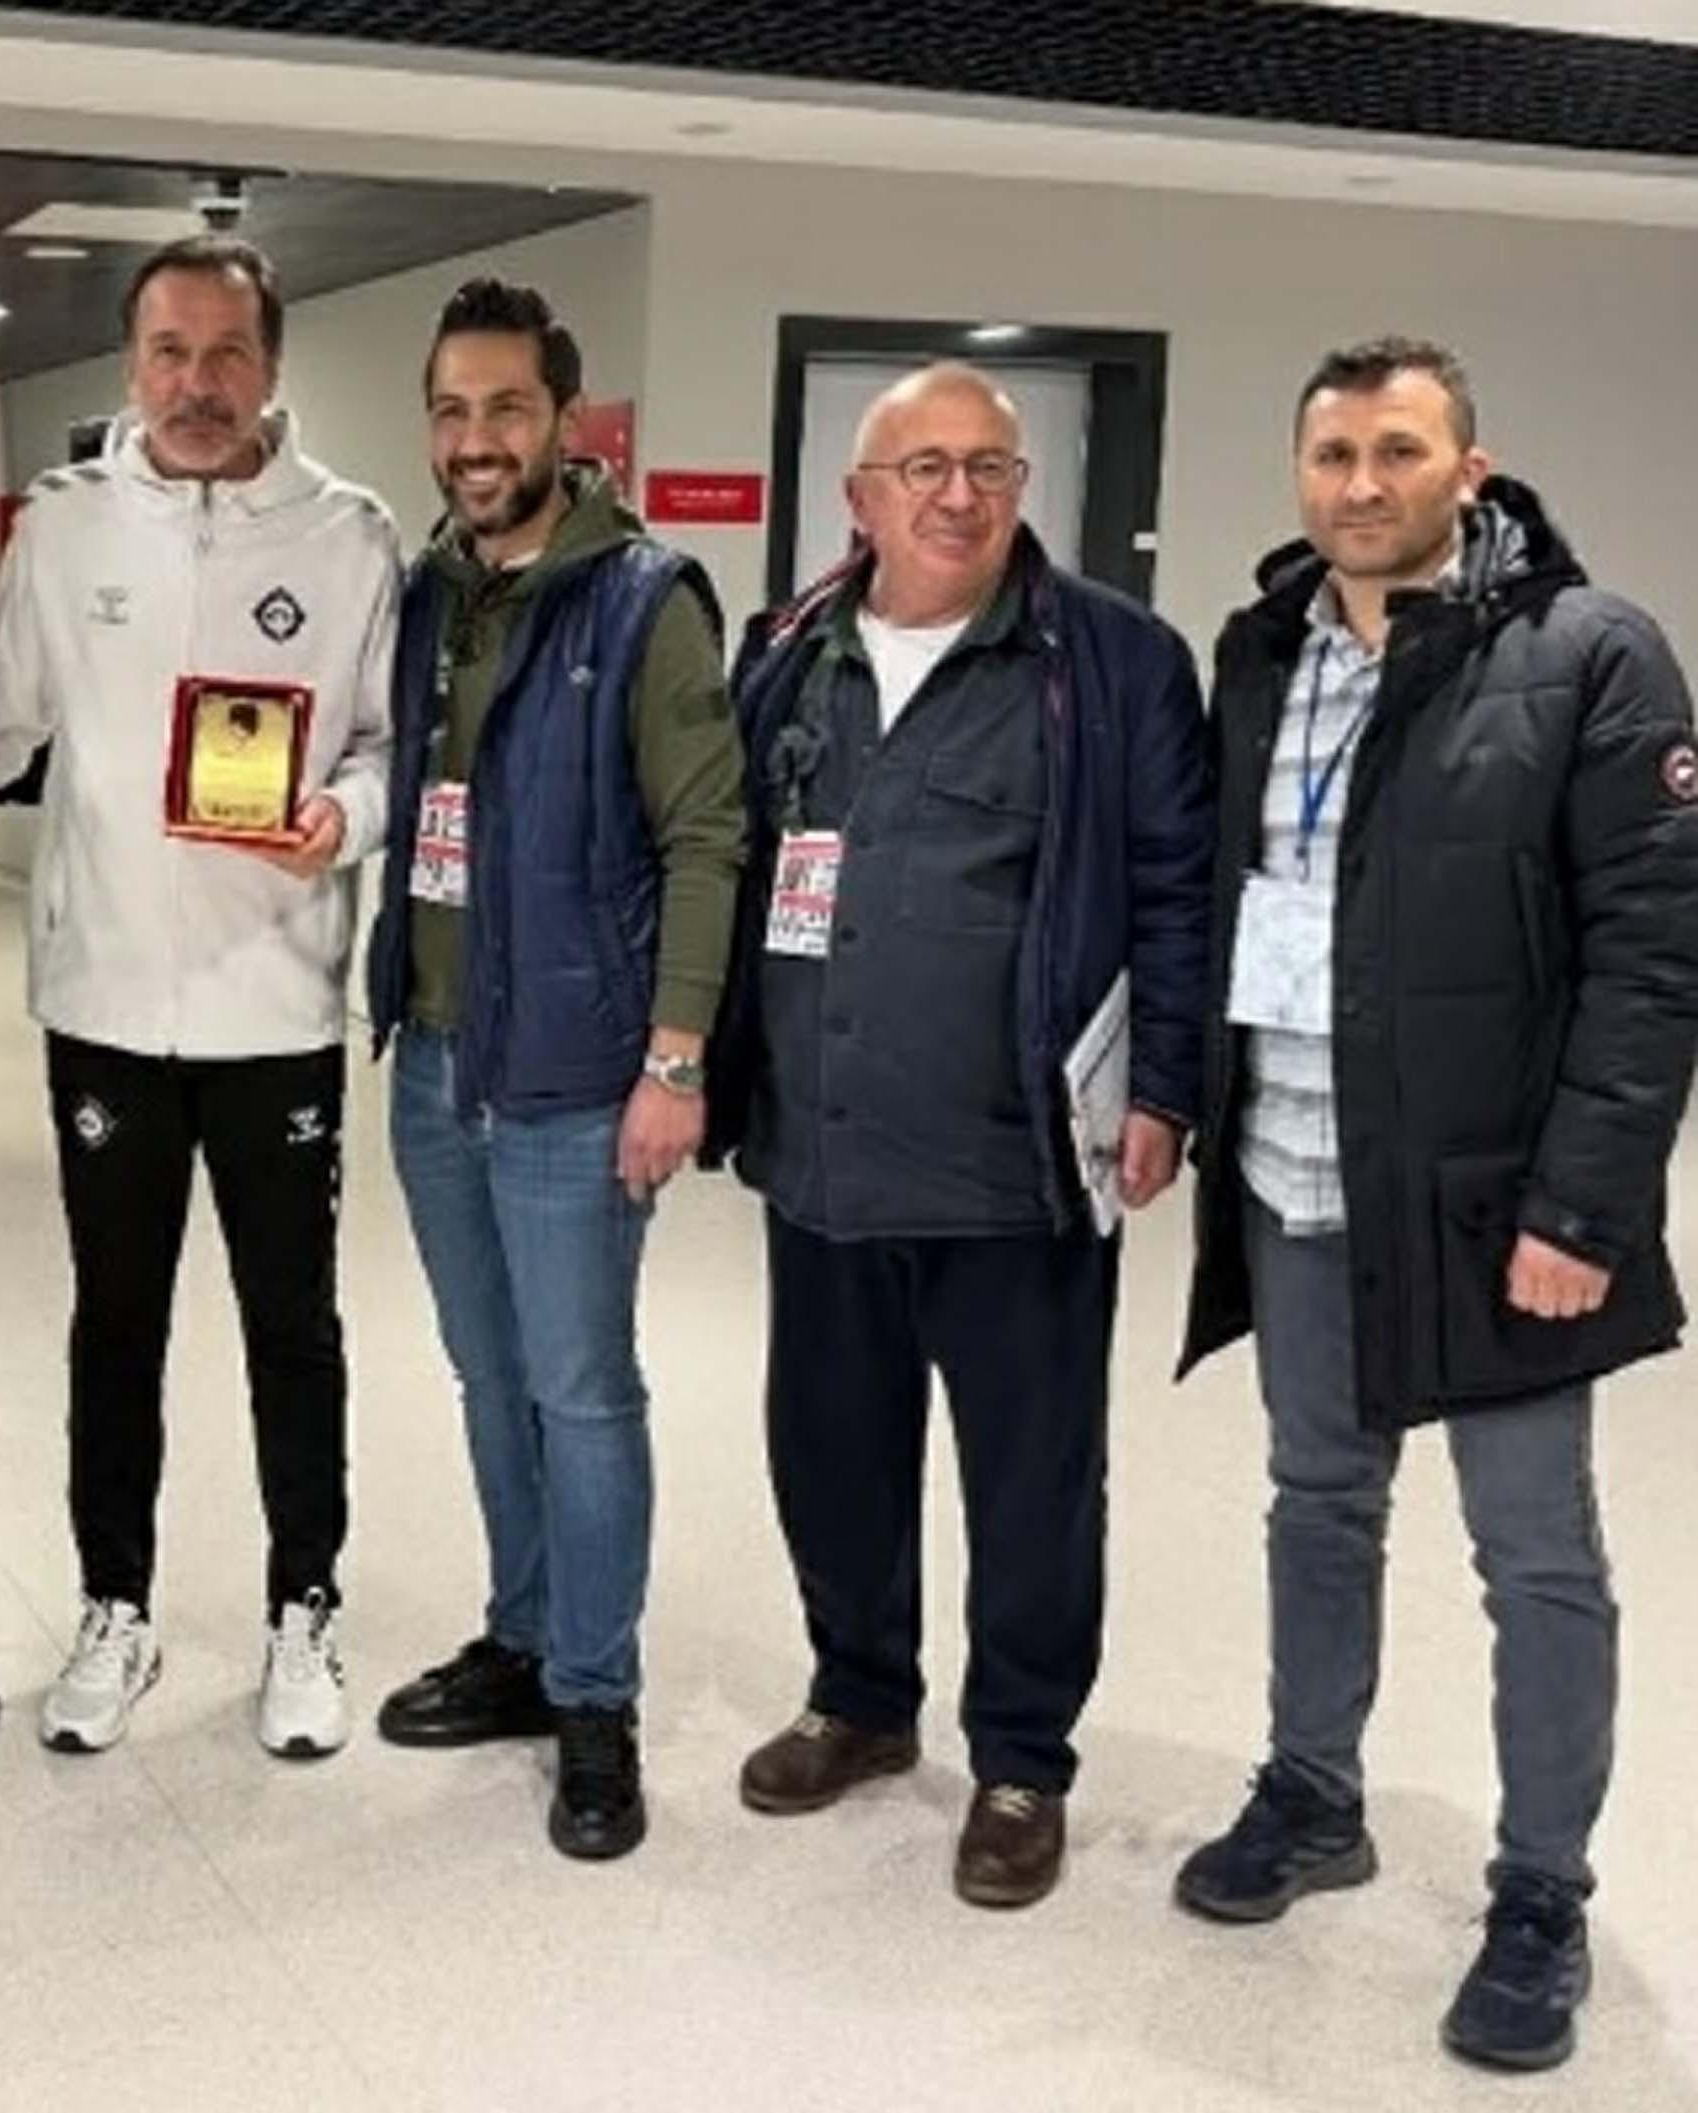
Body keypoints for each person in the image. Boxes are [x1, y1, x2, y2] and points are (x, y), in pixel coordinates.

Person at [1171, 337, 1698, 2074]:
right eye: (1332, 453)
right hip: (1295, 1169)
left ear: (1470, 469)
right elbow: (1230, 896)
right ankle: (1314, 1790)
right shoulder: (1261, 650)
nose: (1361, 484)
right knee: (1318, 1498)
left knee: (1533, 1552)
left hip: (1494, 1203)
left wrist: (1583, 1210)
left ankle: (1541, 1890)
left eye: (1399, 451)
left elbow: (1652, 957)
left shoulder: (1589, 652)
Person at [703, 362, 1212, 1908]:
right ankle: (860, 1696)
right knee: (831, 1446)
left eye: (989, 465)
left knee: (1032, 1476)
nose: (959, 494)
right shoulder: (789, 651)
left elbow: (1176, 886)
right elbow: (731, 862)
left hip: (1017, 1165)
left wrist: (1165, 1089)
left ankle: (1021, 1759)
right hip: (824, 1147)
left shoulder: (1113, 659)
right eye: (922, 466)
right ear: (860, 499)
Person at [0, 235, 400, 1762]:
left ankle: (305, 1605)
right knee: (115, 1323)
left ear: (272, 366)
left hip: (275, 1008)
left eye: (227, 354)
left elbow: (389, 745)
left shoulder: (351, 536)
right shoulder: (67, 526)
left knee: (294, 1326)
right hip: (103, 1010)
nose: (198, 384)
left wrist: (345, 815)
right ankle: (115, 1607)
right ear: (130, 364)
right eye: (169, 351)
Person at [364, 280, 744, 1860]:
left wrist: (676, 1059)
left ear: (564, 423)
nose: (475, 439)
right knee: (489, 1372)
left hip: (580, 1073)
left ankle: (596, 1695)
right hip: (439, 1060)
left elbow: (710, 835)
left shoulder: (644, 601)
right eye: (452, 411)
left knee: (582, 1389)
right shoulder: (430, 596)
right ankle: (523, 1637)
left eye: (505, 408)